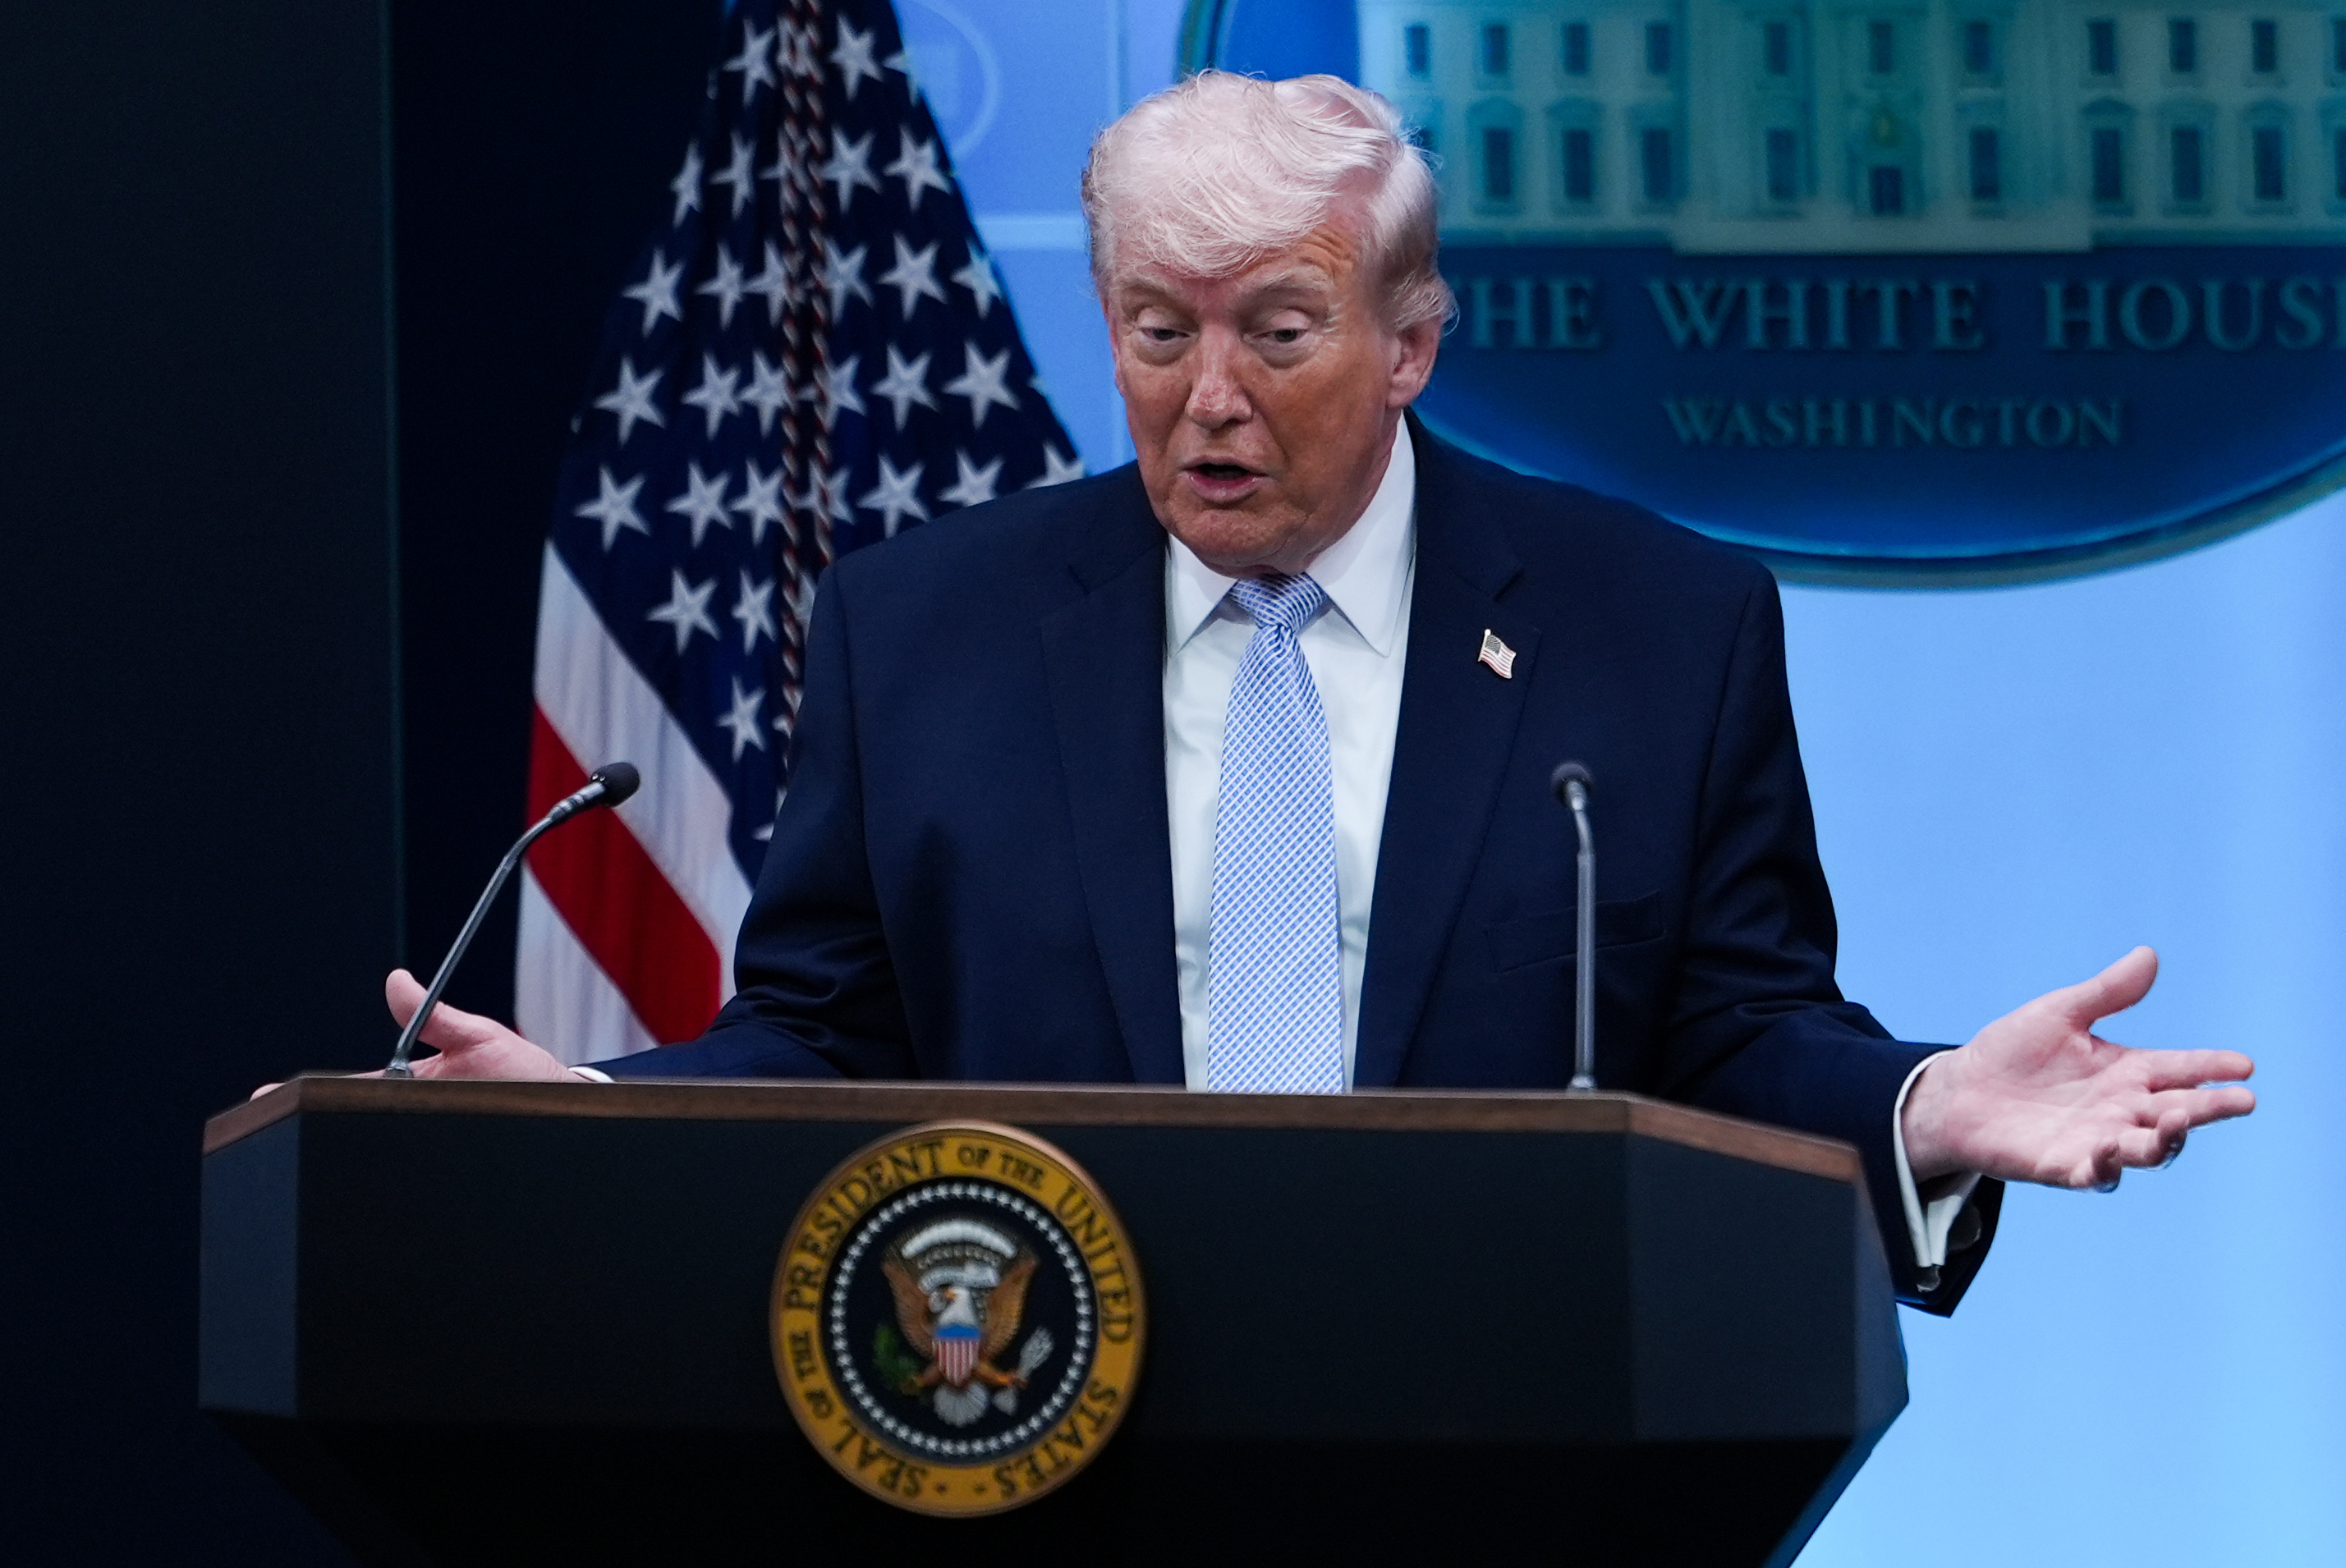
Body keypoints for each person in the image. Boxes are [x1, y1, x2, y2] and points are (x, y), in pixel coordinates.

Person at [356, 73, 2253, 1310]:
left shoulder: (1651, 624)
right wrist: (607, 1117)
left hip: (1509, 1455)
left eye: (1275, 331)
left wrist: (1922, 1104)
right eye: (1156, 333)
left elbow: (1732, 1037)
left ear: (1412, 343)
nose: (1208, 398)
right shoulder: (918, 630)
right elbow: (833, 1041)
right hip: (1029, 1431)